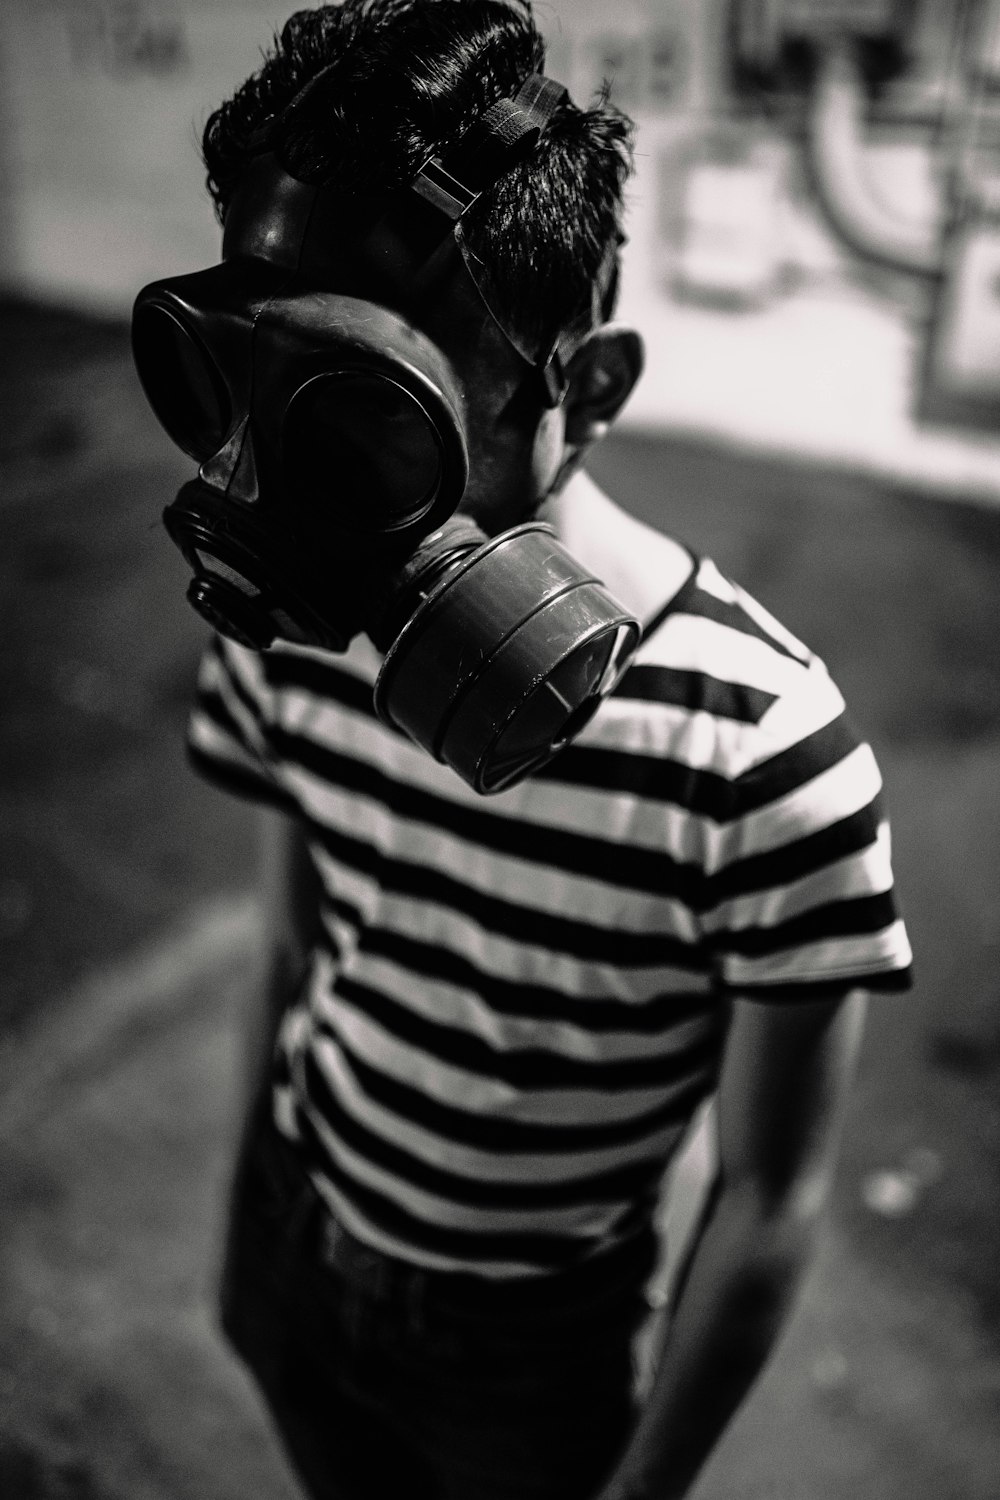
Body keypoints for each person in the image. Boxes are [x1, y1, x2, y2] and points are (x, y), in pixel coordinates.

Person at [174, 4, 913, 1498]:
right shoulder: (305, 639)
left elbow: (770, 1198)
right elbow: (291, 937)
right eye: (250, 372)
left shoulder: (770, 757)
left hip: (535, 1352)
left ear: (591, 386)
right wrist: (252, 1216)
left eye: (365, 411)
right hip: (301, 1242)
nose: (274, 483)